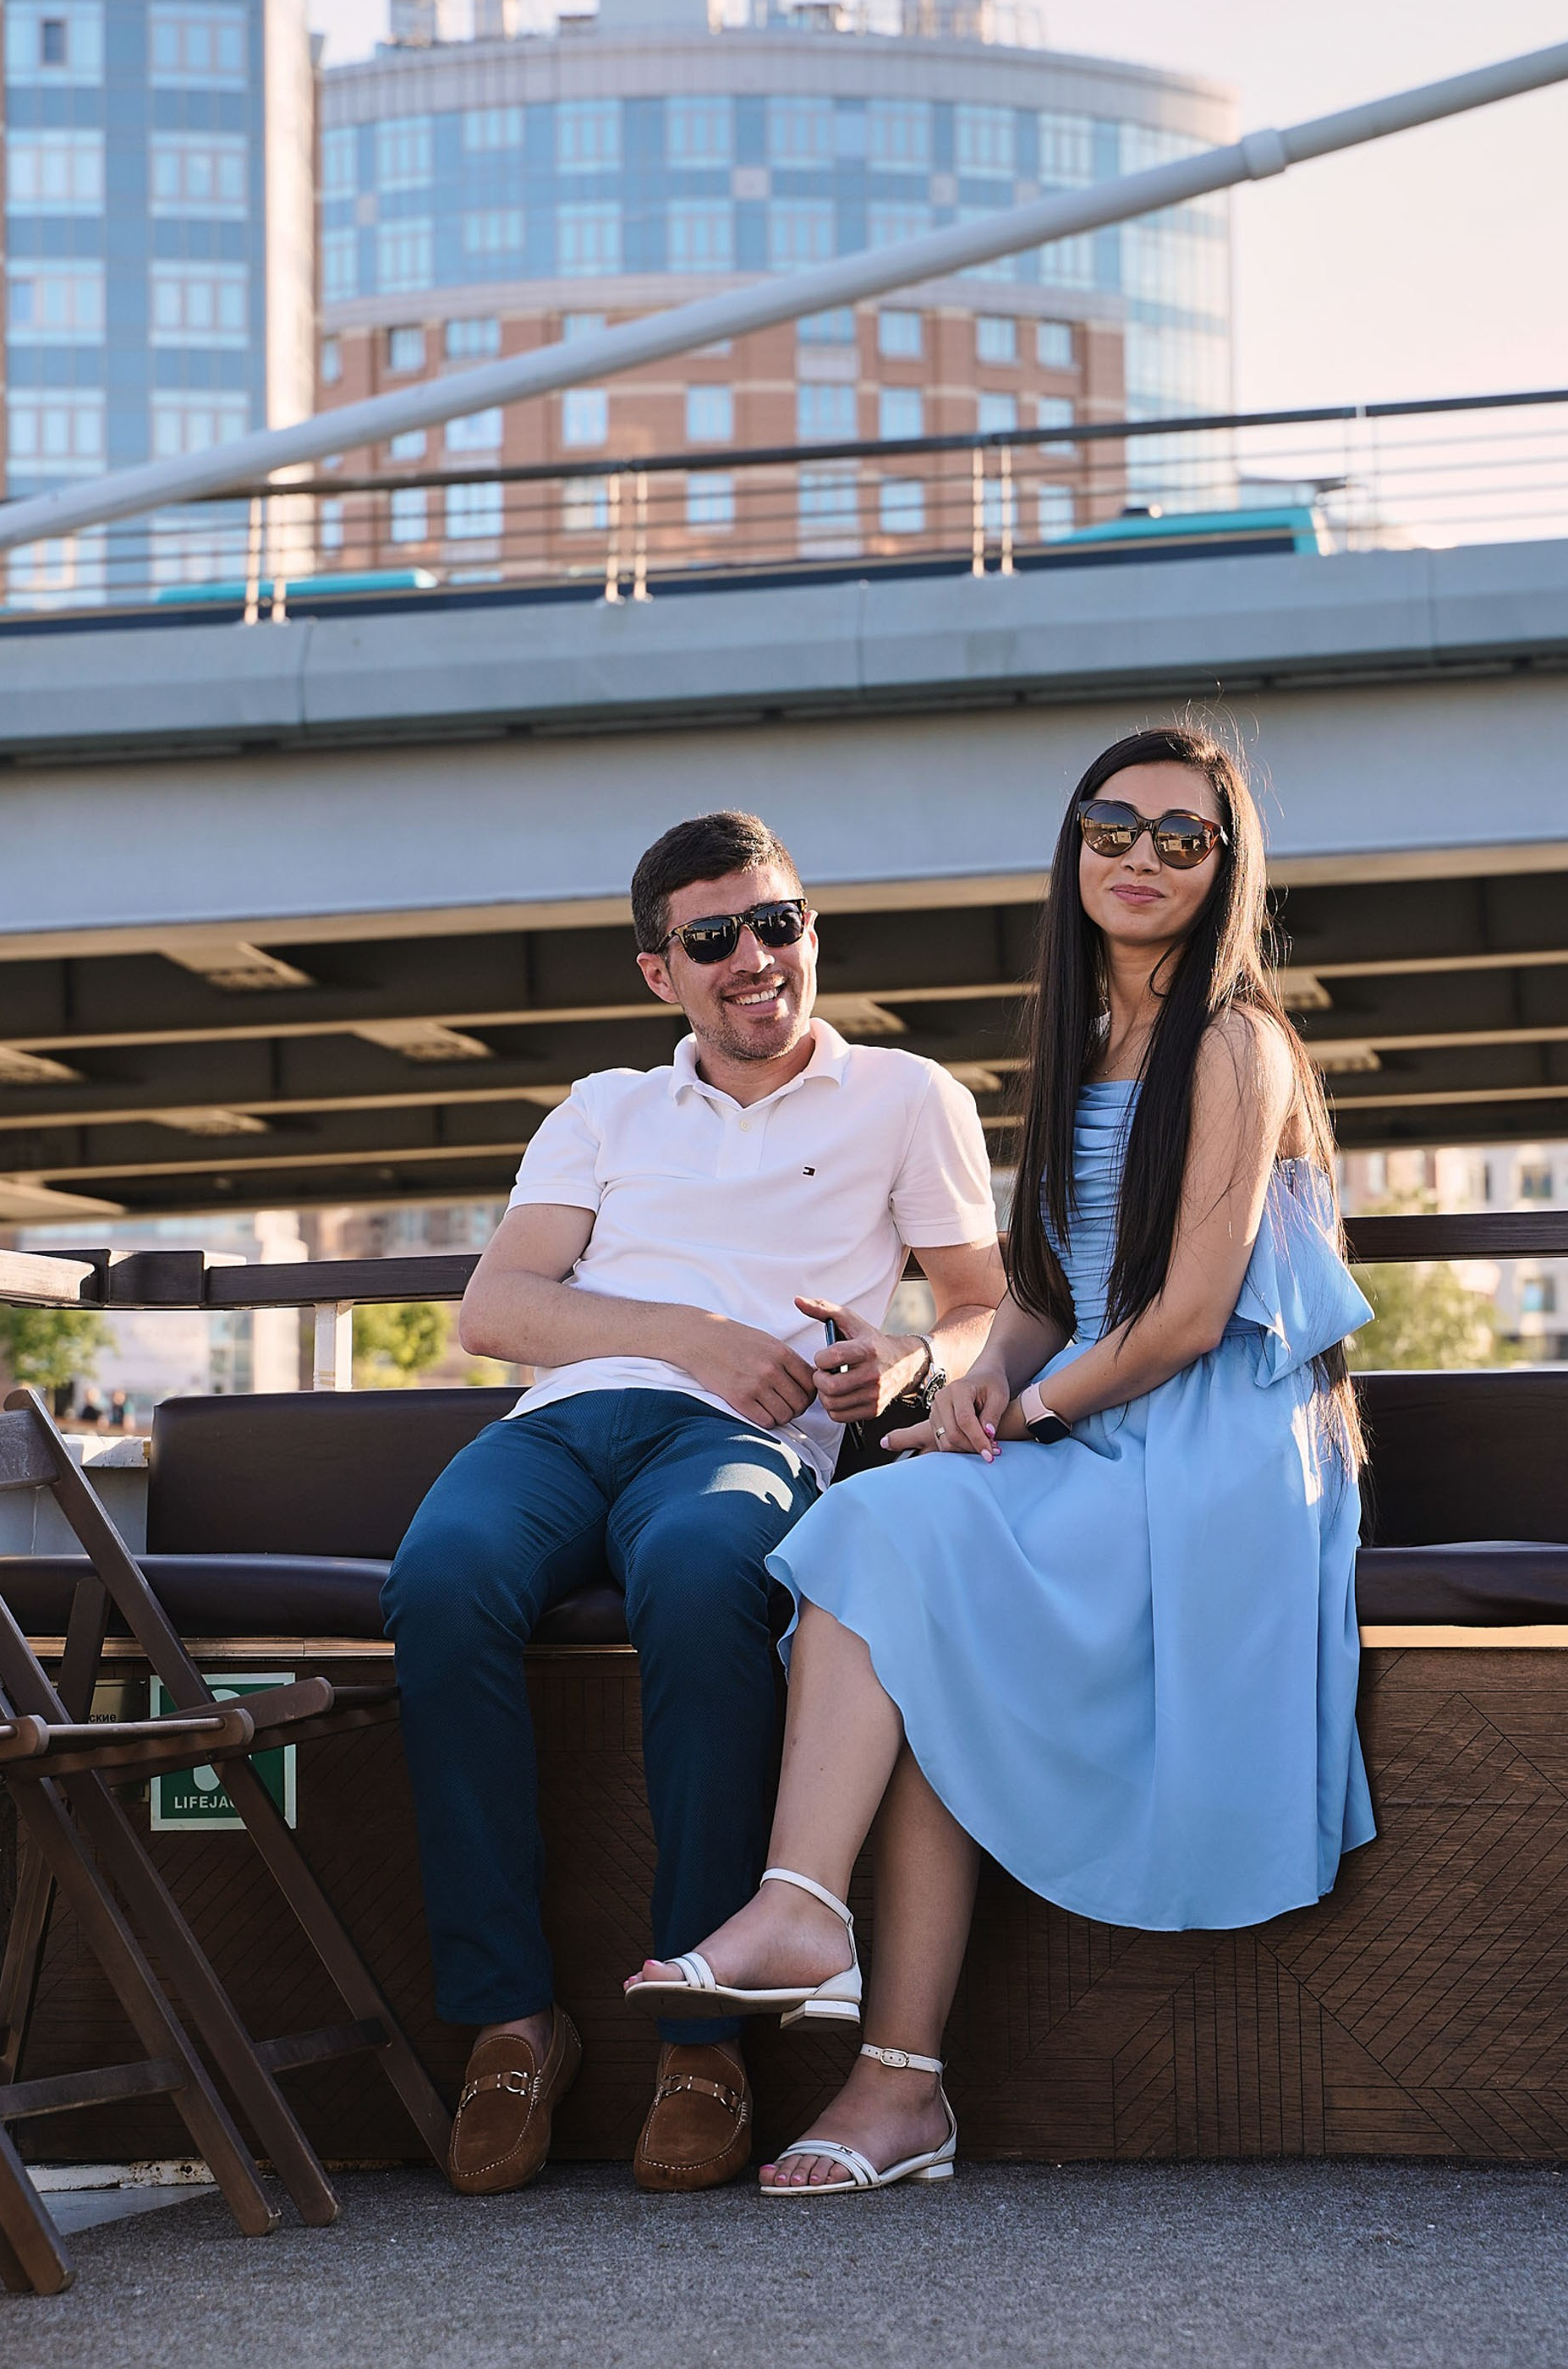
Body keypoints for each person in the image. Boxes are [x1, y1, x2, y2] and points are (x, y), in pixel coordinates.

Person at [626, 725, 1376, 2195]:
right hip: (1100, 1422)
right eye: (1115, 827)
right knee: (899, 1532)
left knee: (901, 1545)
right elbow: (1045, 1290)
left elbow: (1184, 1320)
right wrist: (974, 1391)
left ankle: (825, 1958)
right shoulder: (1082, 1036)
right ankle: (871, 2038)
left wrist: (1025, 1418)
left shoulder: (1238, 1040)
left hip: (1214, 1450)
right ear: (1074, 847)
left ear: (1226, 869)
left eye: (1182, 836)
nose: (1141, 857)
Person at [384, 808, 1005, 2196]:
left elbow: (982, 1308)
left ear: (809, 929)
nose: (754, 958)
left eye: (776, 923)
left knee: (711, 1573)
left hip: (749, 1442)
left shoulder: (909, 1099)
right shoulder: (605, 1108)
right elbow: (499, 1310)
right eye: (713, 938)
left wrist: (909, 1358)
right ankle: (508, 2017)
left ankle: (702, 2041)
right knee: (438, 1585)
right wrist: (689, 1335)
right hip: (561, 1429)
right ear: (661, 972)